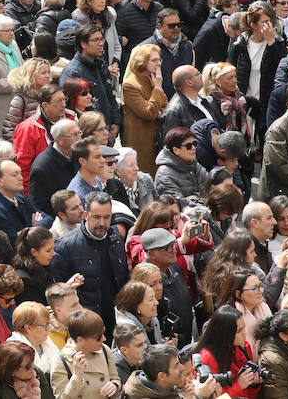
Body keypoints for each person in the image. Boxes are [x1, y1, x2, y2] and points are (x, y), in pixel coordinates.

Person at [51, 191, 129, 337]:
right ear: (85, 215)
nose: (102, 223)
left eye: (107, 217)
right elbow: (57, 290)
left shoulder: (115, 239)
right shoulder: (66, 246)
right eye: (96, 217)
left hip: (118, 319)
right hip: (86, 326)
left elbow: (123, 277)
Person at [122, 43, 168, 175]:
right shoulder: (131, 84)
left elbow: (165, 105)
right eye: (154, 60)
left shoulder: (152, 79)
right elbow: (148, 113)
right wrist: (157, 89)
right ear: (142, 61)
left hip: (156, 139)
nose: (158, 63)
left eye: (159, 60)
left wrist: (155, 104)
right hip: (141, 141)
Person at [154, 127, 207, 199]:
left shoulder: (196, 165)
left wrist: (195, 197)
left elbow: (211, 191)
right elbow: (176, 205)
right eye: (188, 146)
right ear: (176, 150)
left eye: (195, 143)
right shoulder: (164, 175)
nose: (193, 148)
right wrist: (201, 197)